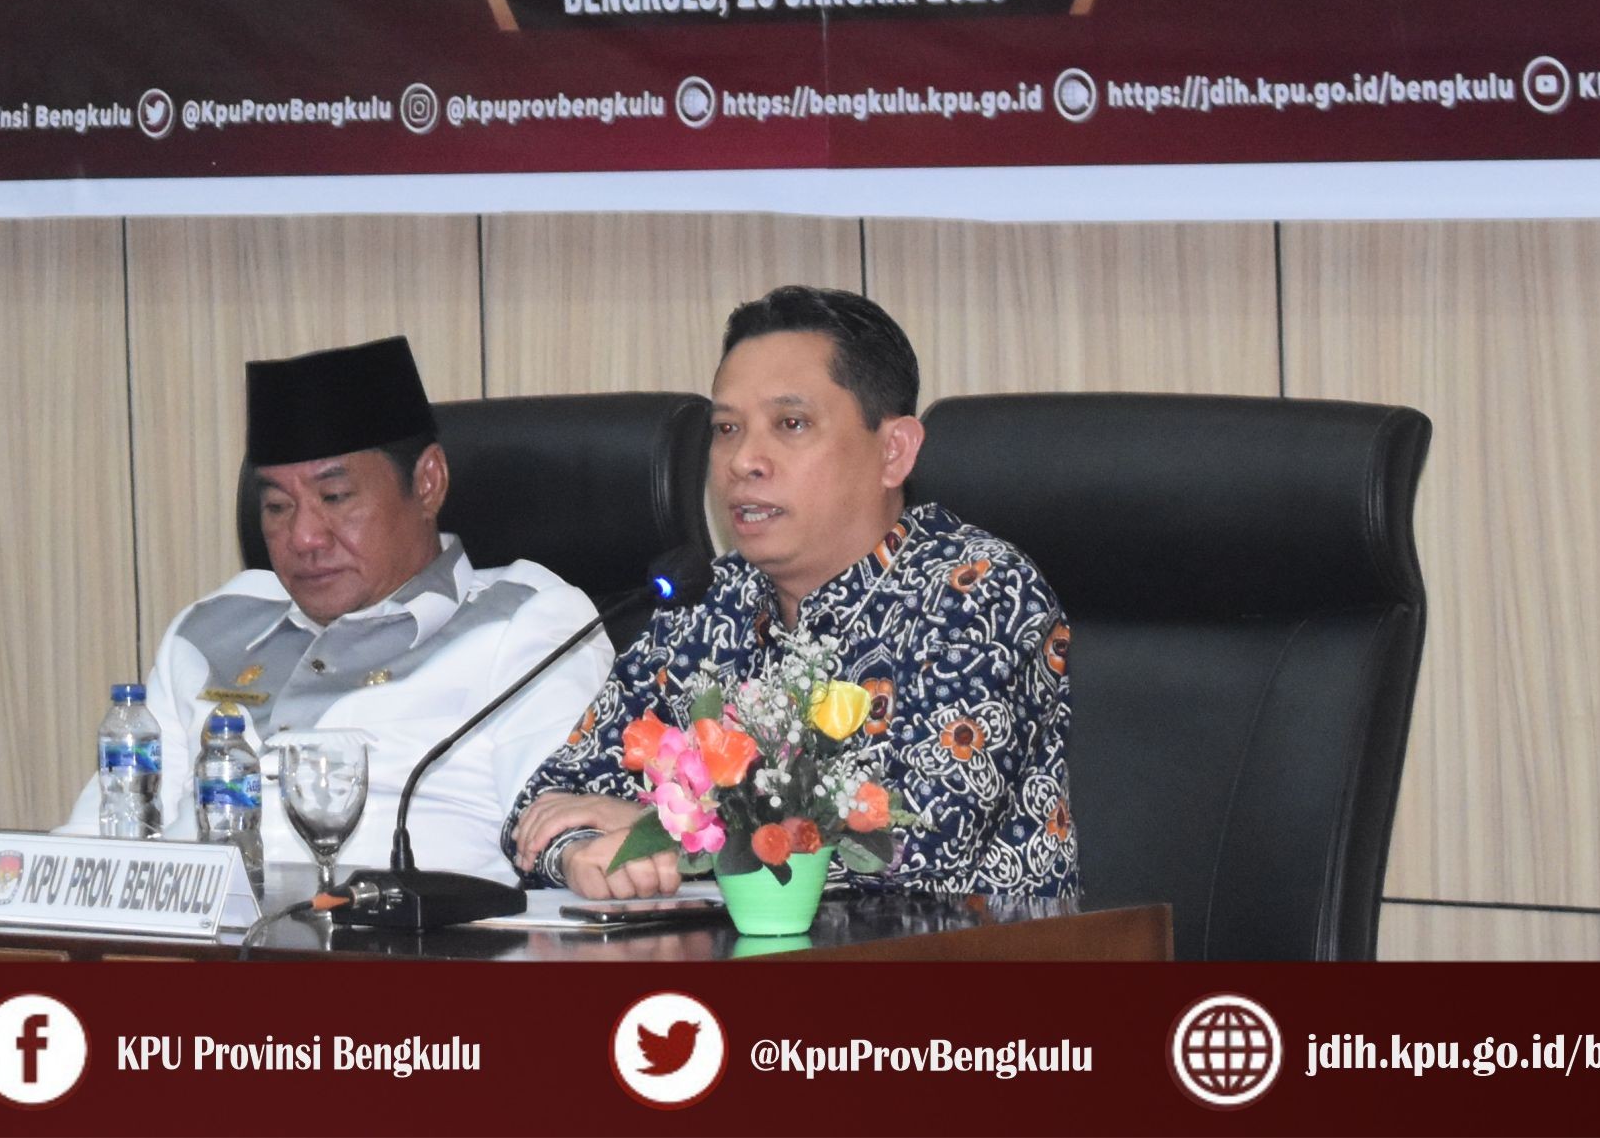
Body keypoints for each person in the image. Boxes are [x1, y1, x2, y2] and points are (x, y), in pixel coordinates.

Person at [508, 287, 1076, 900]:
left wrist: (665, 833)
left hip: (955, 955)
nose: (743, 461)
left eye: (792, 424)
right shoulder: (708, 602)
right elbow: (545, 810)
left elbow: (911, 851)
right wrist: (580, 853)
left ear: (893, 451)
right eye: (727, 429)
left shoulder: (978, 594)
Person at [105, 336, 607, 887]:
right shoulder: (209, 627)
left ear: (428, 482)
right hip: (190, 933)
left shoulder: (528, 622)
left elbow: (565, 838)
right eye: (277, 506)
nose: (303, 536)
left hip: (403, 934)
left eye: (336, 498)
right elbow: (104, 839)